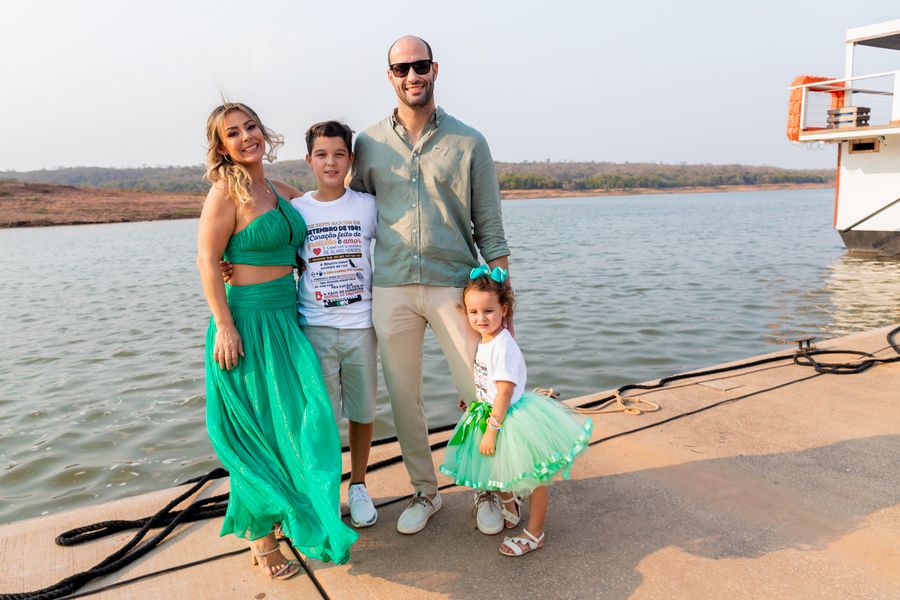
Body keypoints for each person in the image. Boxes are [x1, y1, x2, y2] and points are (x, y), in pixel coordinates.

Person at [351, 35, 512, 536]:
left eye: (419, 66)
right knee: (404, 399)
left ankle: (488, 488)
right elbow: (348, 212)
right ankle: (425, 491)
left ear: (435, 69)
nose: (412, 76)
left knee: (479, 393)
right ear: (390, 76)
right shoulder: (368, 144)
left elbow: (490, 229)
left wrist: (506, 312)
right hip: (392, 287)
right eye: (401, 69)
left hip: (454, 286)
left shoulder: (470, 142)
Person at [197, 102, 357, 577]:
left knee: (308, 418)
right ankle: (262, 540)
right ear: (221, 146)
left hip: (288, 320)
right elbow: (207, 261)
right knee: (257, 433)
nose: (246, 136)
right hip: (246, 324)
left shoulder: (280, 190)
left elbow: (325, 208)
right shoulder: (225, 192)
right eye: (233, 133)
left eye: (251, 127)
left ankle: (304, 503)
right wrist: (224, 324)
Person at [439, 266, 594, 556]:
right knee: (493, 468)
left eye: (488, 311)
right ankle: (511, 504)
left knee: (533, 479)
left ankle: (535, 533)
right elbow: (489, 380)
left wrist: (492, 429)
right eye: (473, 312)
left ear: (504, 309)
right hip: (489, 411)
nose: (481, 318)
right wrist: (475, 396)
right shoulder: (485, 340)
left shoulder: (503, 345)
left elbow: (505, 391)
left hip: (508, 418)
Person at [292, 120, 378, 528]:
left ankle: (358, 484)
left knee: (362, 411)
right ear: (309, 160)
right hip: (315, 326)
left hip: (362, 326)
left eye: (339, 154)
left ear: (351, 159)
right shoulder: (297, 210)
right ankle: (323, 490)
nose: (331, 162)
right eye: (322, 155)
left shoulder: (367, 206)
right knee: (320, 416)